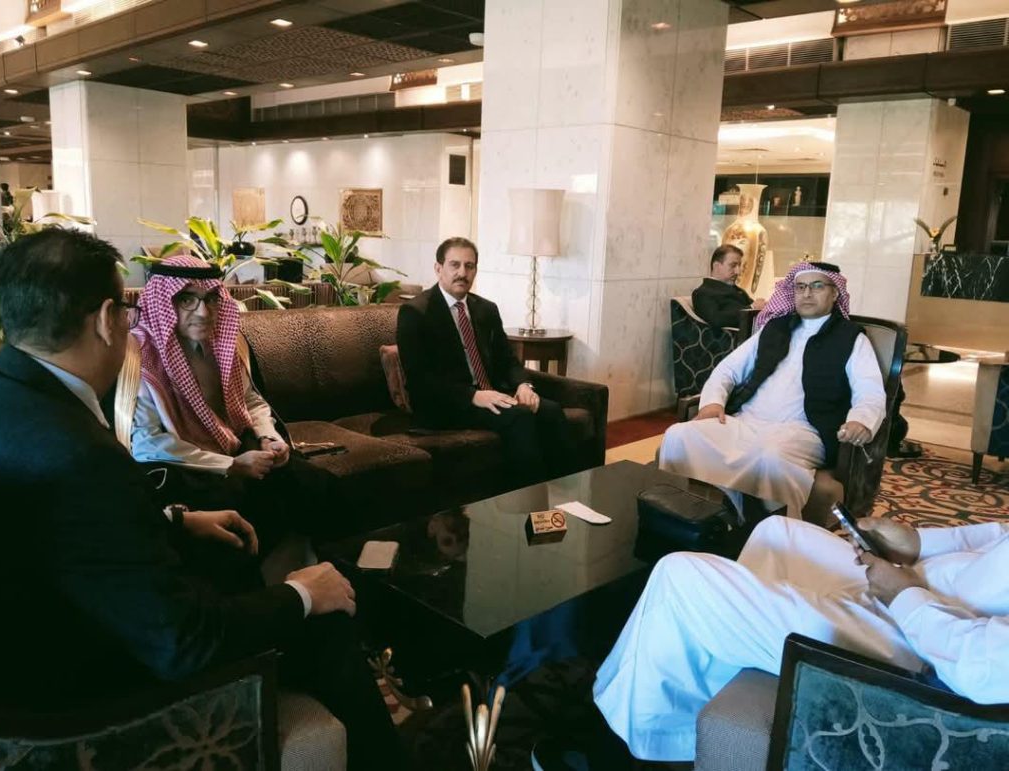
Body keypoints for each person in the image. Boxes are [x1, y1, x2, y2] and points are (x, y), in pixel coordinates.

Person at [0, 229, 407, 769]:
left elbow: (62, 526)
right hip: (73, 691)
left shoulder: (6, 392)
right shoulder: (82, 453)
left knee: (252, 531)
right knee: (324, 627)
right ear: (106, 319)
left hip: (48, 625)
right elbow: (184, 642)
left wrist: (175, 521)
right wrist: (300, 594)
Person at [566, 514, 1009, 767]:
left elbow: (985, 669)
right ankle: (702, 697)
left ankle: (632, 748)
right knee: (776, 532)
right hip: (927, 593)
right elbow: (999, 537)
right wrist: (917, 543)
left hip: (927, 647)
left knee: (678, 576)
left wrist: (904, 595)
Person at [126, 255, 346, 552]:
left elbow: (251, 401)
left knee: (318, 485)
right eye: (187, 300)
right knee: (250, 504)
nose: (203, 312)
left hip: (238, 446)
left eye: (211, 299)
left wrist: (268, 437)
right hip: (186, 467)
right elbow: (146, 443)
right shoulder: (137, 356)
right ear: (164, 303)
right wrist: (230, 466)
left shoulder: (228, 341)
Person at [659, 260, 887, 517]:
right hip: (745, 421)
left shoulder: (851, 338)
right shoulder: (774, 328)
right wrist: (713, 402)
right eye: (800, 287)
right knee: (679, 436)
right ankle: (681, 518)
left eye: (817, 286)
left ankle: (764, 529)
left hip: (803, 432)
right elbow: (728, 369)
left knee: (769, 456)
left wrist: (861, 421)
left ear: (834, 293)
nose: (807, 293)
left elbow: (870, 390)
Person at [397, 236, 575, 485]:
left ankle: (568, 494)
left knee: (551, 411)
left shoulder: (486, 309)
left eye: (469, 266)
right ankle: (531, 502)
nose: (462, 273)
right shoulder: (415, 312)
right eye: (454, 265)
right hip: (447, 404)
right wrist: (474, 396)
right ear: (438, 268)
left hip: (492, 394)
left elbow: (507, 359)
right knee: (519, 417)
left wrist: (524, 385)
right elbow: (419, 380)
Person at [691, 244, 765, 328]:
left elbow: (755, 306)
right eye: (733, 266)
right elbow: (717, 319)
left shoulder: (737, 290)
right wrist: (751, 308)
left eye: (739, 265)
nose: (738, 271)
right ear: (716, 266)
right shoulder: (702, 293)